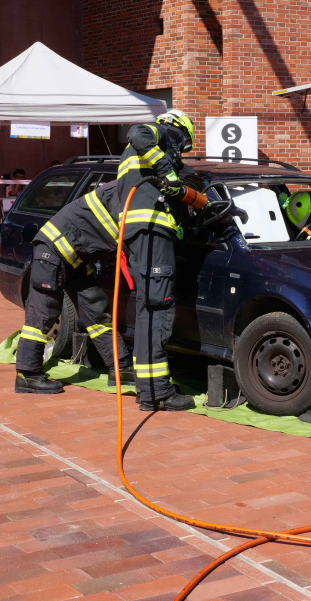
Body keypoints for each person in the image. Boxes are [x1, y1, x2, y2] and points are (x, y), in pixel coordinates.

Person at [15, 180, 134, 394]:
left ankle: (121, 368)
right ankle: (27, 374)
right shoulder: (125, 193)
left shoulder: (128, 192)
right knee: (43, 314)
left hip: (77, 259)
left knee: (97, 311)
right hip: (52, 251)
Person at [115, 109, 197, 411]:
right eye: (184, 144)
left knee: (148, 309)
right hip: (150, 230)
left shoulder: (137, 160)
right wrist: (168, 170)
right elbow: (138, 132)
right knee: (159, 309)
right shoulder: (161, 132)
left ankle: (149, 390)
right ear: (180, 130)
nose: (182, 150)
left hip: (141, 232)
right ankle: (157, 393)